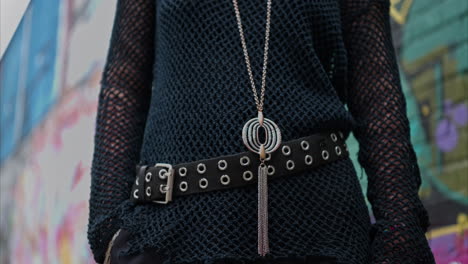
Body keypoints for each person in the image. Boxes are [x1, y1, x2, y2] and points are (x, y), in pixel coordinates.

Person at [87, 0, 436, 263]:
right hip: (175, 232)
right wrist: (106, 228)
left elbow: (373, 80)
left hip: (323, 225)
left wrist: (400, 225)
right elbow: (124, 79)